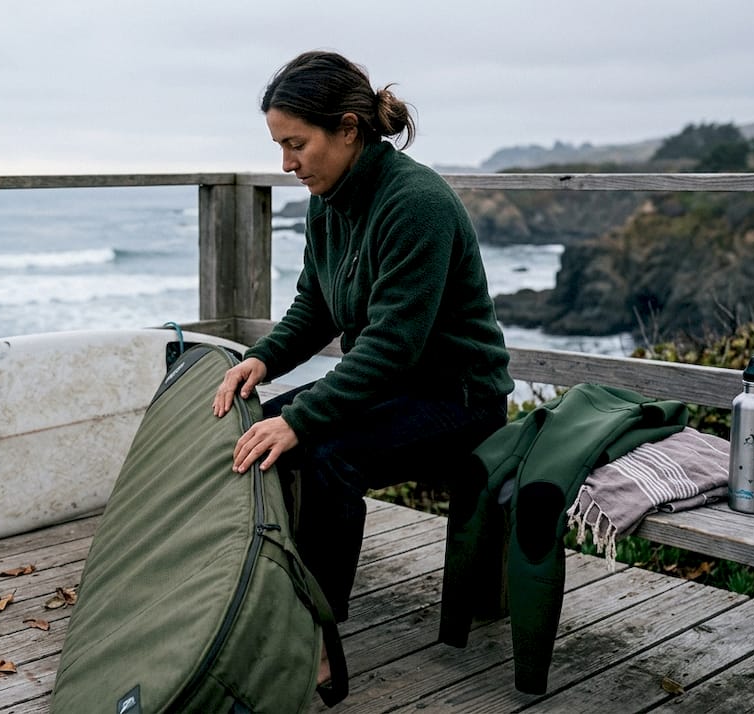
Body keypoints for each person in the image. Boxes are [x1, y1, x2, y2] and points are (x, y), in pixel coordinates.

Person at [211, 50, 515, 687]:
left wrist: (306, 418)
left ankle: (317, 635)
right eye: (279, 146)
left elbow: (391, 345)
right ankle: (264, 598)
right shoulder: (330, 198)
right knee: (259, 435)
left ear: (348, 129)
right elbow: (316, 305)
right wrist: (263, 361)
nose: (287, 164)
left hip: (458, 396)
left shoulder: (416, 202)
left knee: (326, 455)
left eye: (297, 144)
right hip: (393, 386)